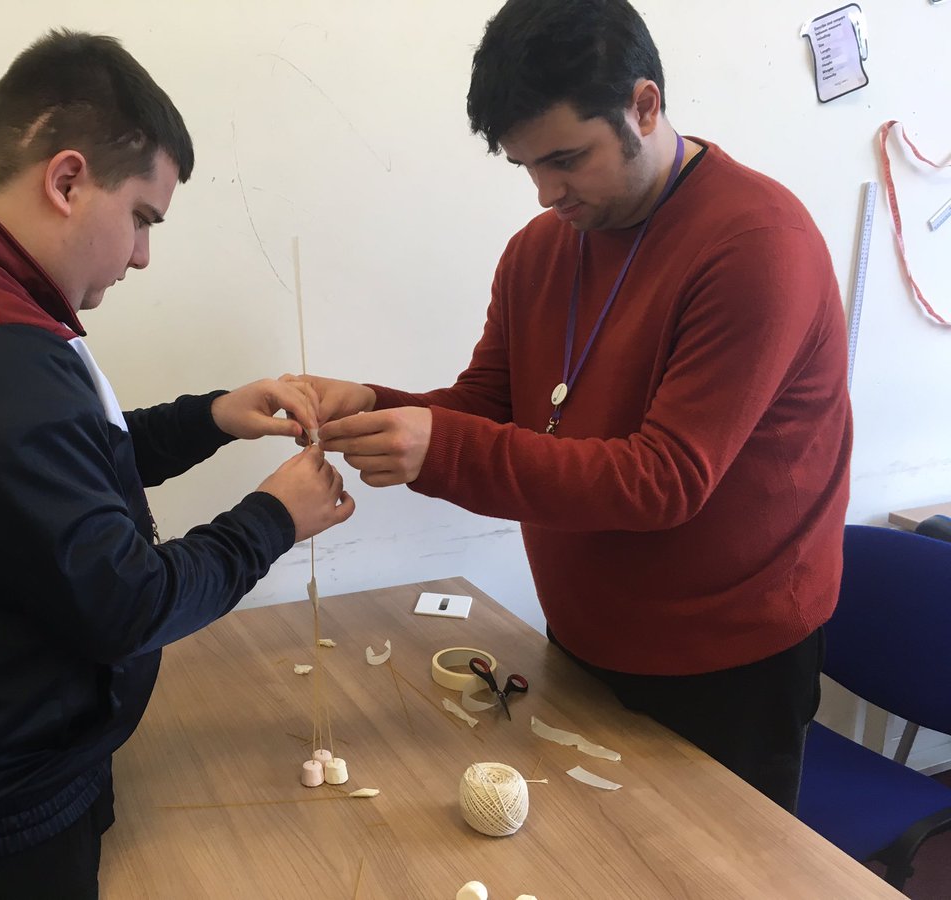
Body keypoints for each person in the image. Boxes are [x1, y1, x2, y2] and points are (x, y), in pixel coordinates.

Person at [0, 29, 353, 899]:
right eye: (142, 219)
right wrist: (276, 517)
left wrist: (212, 418)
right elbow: (127, 604)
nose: (141, 256)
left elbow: (64, 463)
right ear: (68, 179)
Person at [298, 0, 851, 812]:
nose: (546, 192)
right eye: (526, 166)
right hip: (586, 633)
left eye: (567, 159)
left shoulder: (758, 243)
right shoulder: (540, 250)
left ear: (645, 105)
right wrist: (372, 406)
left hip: (728, 662)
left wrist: (439, 448)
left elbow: (666, 479)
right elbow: (487, 407)